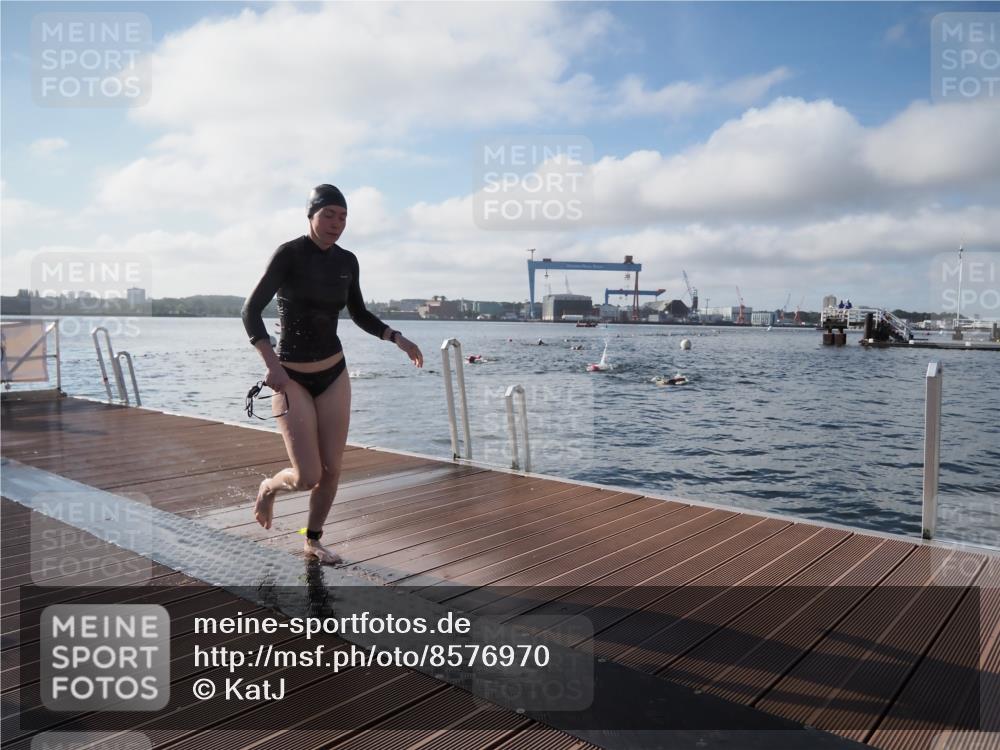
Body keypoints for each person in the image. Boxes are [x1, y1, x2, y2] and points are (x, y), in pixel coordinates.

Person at [241, 184, 423, 564]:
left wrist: (397, 337)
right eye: (328, 215)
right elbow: (250, 311)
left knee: (333, 469)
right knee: (308, 475)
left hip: (333, 373)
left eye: (343, 217)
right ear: (311, 215)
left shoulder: (347, 261)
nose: (336, 224)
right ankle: (269, 489)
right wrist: (271, 364)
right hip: (290, 377)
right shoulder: (288, 255)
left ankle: (313, 538)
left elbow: (358, 313)